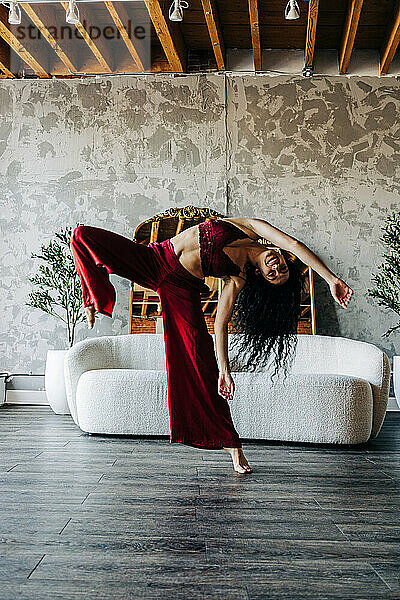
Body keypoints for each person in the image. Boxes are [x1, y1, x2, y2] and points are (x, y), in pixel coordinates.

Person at [70, 216, 353, 474]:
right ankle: (93, 297)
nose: (277, 269)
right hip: (156, 259)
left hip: (179, 288)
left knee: (198, 359)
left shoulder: (239, 276)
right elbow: (294, 242)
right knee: (82, 236)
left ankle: (231, 445)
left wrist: (224, 371)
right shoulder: (249, 227)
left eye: (275, 277)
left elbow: (220, 324)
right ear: (282, 256)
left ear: (262, 278)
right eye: (281, 268)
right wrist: (330, 279)